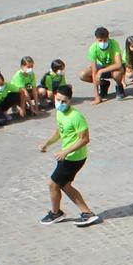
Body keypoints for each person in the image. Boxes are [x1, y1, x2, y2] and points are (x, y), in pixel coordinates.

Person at [38, 84, 100, 227]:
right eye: (58, 100)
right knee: (65, 185)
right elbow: (60, 131)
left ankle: (56, 213)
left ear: (70, 101)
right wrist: (47, 143)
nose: (60, 103)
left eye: (64, 101)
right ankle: (86, 213)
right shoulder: (60, 113)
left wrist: (65, 152)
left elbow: (85, 139)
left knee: (53, 184)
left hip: (74, 158)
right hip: (66, 156)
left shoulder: (76, 117)